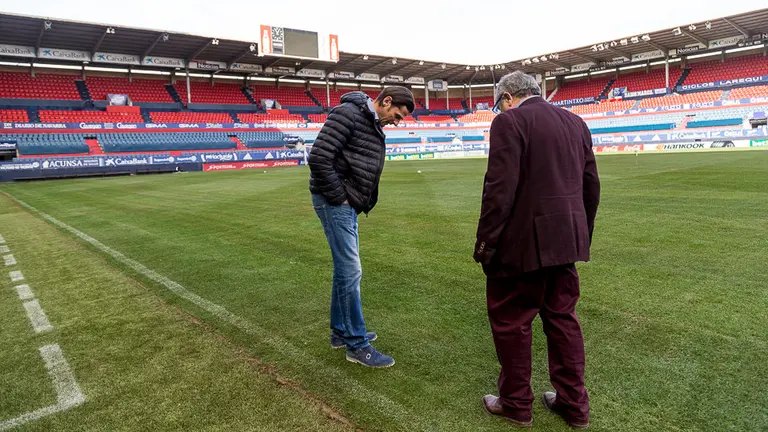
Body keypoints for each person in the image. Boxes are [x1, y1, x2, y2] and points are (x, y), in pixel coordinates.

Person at [474, 71, 600, 429]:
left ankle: (516, 404)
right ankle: (574, 405)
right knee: (563, 322)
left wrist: (486, 244)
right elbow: (591, 188)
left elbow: (498, 191)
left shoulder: (509, 123)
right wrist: (579, 235)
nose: (500, 110)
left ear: (509, 97)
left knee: (512, 324)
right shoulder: (576, 122)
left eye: (499, 104)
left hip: (520, 249)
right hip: (565, 244)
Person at [309, 86, 414, 368]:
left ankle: (340, 332)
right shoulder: (348, 114)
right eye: (397, 115)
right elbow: (318, 156)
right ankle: (356, 344)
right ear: (386, 101)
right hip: (335, 202)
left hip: (347, 203)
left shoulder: (369, 121)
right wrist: (339, 196)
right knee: (351, 270)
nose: (397, 121)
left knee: (344, 269)